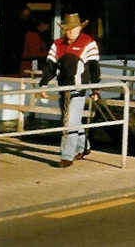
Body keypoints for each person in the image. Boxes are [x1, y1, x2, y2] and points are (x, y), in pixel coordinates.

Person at [38, 13, 100, 168]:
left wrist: (95, 89)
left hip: (79, 89)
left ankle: (66, 156)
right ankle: (84, 147)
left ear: (80, 28)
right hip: (63, 88)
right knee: (72, 120)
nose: (69, 32)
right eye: (66, 29)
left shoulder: (89, 43)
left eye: (72, 29)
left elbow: (94, 68)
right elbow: (50, 66)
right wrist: (44, 84)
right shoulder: (57, 44)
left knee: (69, 122)